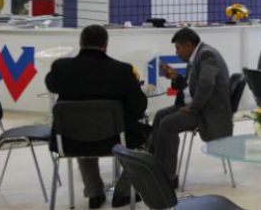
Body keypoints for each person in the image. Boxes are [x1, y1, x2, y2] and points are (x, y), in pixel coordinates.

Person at [45, 25, 148, 209]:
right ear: (106, 45)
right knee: (153, 137)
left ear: (80, 44)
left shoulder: (61, 67)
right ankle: (124, 192)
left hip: (69, 141)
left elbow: (51, 85)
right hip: (116, 140)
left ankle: (94, 192)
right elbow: (139, 107)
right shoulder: (122, 71)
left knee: (80, 127)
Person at [152, 28, 233, 185]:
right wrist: (176, 77)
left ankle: (168, 178)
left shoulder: (206, 55)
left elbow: (207, 84)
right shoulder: (198, 55)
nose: (176, 52)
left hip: (207, 111)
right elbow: (191, 86)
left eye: (178, 48)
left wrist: (193, 107)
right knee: (160, 115)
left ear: (188, 45)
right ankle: (156, 166)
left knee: (167, 124)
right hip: (199, 105)